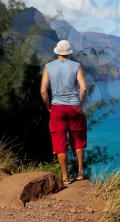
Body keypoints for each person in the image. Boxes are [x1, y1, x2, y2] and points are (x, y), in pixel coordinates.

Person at [40, 39, 87, 184]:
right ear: (69, 52)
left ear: (57, 51)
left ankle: (65, 177)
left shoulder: (48, 67)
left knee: (59, 141)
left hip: (57, 108)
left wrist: (49, 106)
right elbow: (83, 88)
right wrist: (79, 103)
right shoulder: (76, 66)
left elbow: (43, 90)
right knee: (78, 139)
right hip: (74, 107)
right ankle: (80, 173)